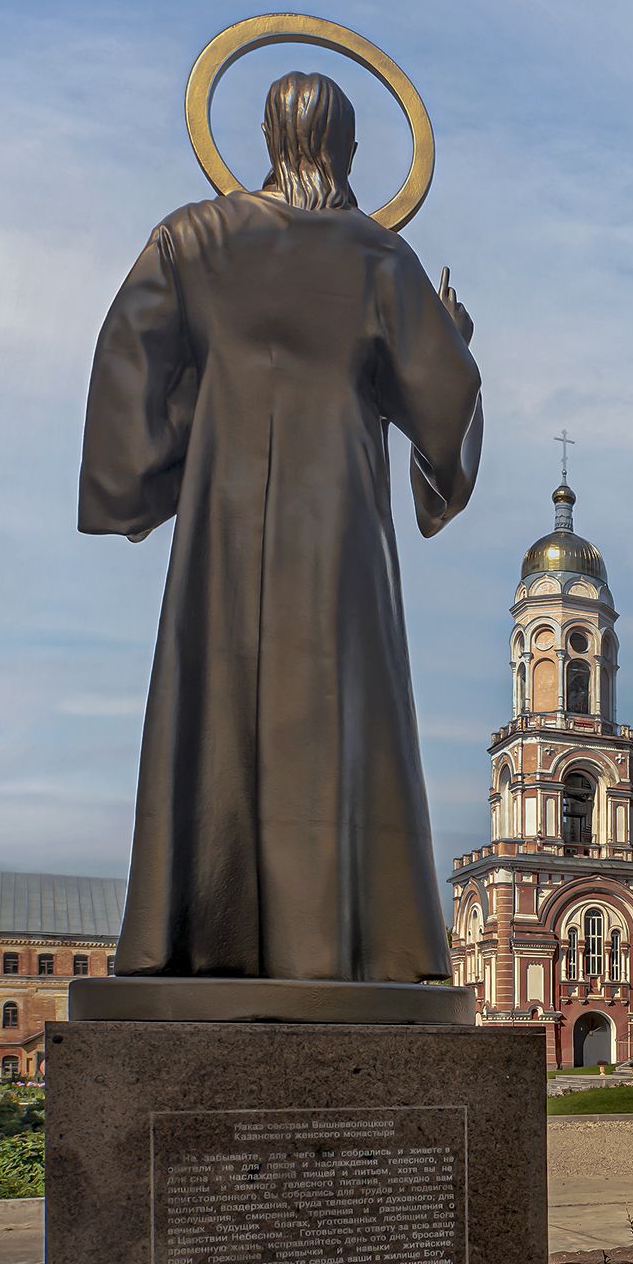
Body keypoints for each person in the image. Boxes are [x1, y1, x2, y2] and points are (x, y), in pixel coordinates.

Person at [79, 71, 482, 983]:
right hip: (338, 519)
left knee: (214, 693)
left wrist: (151, 474)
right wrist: (453, 336)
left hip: (223, 516)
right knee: (339, 701)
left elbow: (128, 357)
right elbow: (443, 402)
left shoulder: (191, 238)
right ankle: (353, 947)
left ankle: (195, 936)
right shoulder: (378, 256)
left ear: (266, 139)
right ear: (345, 148)